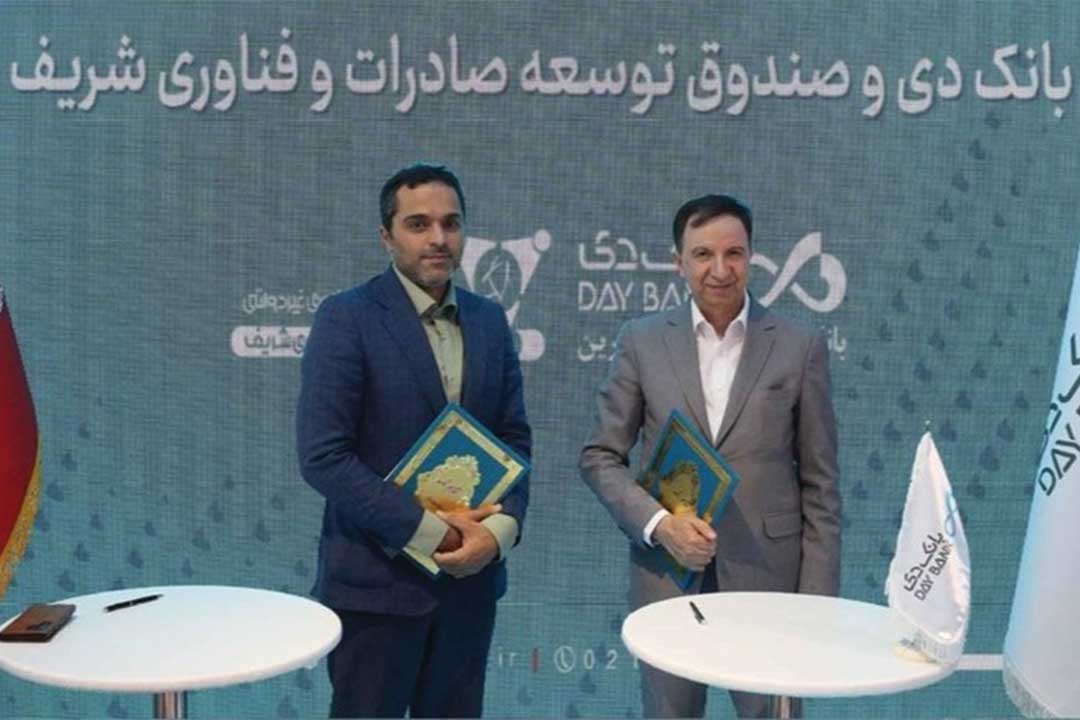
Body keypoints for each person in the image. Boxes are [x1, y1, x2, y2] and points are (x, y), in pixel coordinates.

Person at [579, 194, 841, 718]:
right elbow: (600, 456)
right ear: (678, 262)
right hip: (668, 577)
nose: (720, 270)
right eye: (703, 254)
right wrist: (659, 525)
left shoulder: (799, 345)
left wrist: (817, 604)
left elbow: (821, 486)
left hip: (771, 582)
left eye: (733, 254)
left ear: (751, 257)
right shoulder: (642, 342)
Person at [297, 163, 530, 718]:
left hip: (470, 588)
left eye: (451, 223)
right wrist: (432, 533)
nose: (438, 238)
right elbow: (323, 456)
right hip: (375, 588)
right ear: (387, 236)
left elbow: (513, 440)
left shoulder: (489, 320)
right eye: (419, 224)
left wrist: (497, 535)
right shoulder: (347, 317)